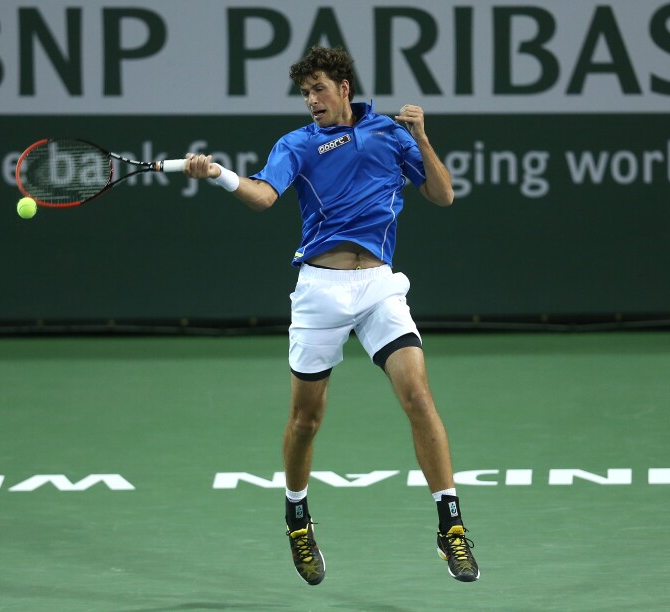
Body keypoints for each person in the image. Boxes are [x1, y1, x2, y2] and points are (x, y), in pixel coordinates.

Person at [184, 46, 479, 585]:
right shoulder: (297, 143)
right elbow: (264, 195)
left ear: (344, 88)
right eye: (304, 93)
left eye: (318, 89)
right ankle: (298, 517)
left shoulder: (391, 133)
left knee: (418, 395)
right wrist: (221, 174)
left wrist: (422, 138)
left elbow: (442, 195)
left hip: (379, 286)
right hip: (320, 291)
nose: (311, 101)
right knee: (306, 420)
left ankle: (451, 527)